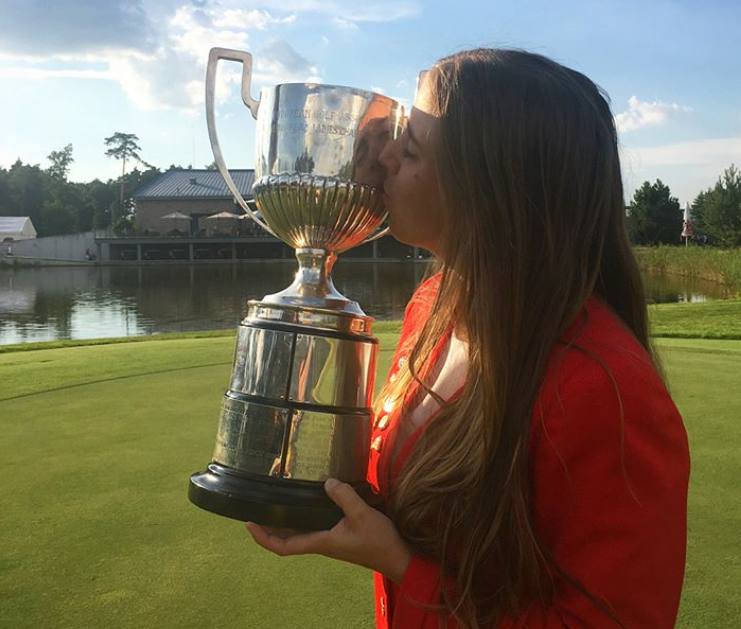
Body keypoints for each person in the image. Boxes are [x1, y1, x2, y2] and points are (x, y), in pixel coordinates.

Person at [244, 48, 690, 628]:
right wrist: (331, 503)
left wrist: (400, 564)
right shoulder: (432, 309)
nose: (380, 160)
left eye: (408, 149)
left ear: (487, 187)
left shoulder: (607, 390)